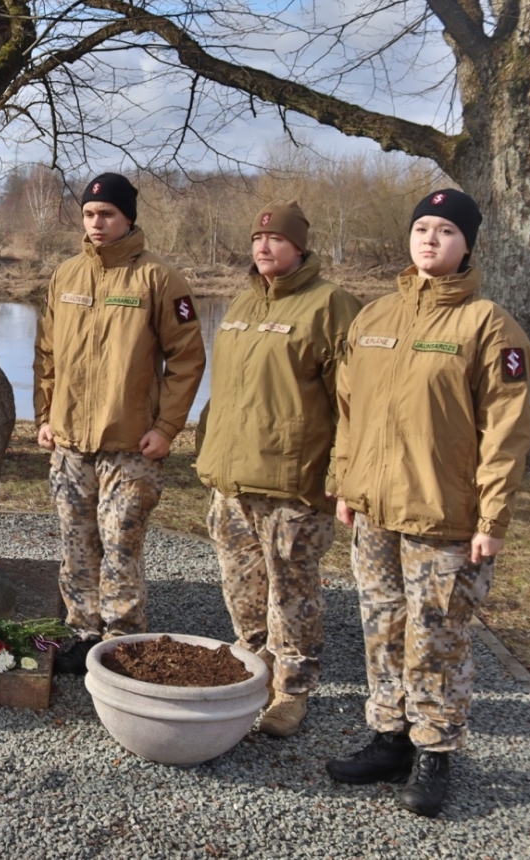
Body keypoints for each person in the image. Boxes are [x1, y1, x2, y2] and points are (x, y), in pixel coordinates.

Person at [325, 189, 530, 817]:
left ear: (467, 244)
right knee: (382, 625)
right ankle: (389, 738)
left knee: (437, 637)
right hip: (375, 512)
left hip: (446, 517)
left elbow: (507, 433)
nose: (431, 240)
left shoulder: (488, 324)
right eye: (423, 228)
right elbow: (348, 410)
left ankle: (434, 752)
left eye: (446, 230)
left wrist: (492, 518)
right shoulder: (374, 316)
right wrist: (344, 482)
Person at [195, 201, 362, 737]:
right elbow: (226, 391)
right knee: (241, 586)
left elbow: (352, 405)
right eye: (257, 239)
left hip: (292, 482)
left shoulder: (331, 305)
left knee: (291, 592)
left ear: (300, 247)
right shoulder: (243, 302)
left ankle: (292, 690)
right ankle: (254, 669)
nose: (264, 246)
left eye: (277, 239)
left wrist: (339, 477)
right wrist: (208, 450)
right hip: (232, 479)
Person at [33, 172, 206, 673]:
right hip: (70, 443)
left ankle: (120, 642)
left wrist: (167, 427)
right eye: (89, 214)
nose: (96, 223)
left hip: (130, 445)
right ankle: (82, 632)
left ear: (128, 216)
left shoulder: (159, 279)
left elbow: (187, 358)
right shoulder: (66, 276)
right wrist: (45, 415)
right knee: (76, 544)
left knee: (120, 546)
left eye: (106, 214)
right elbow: (47, 353)